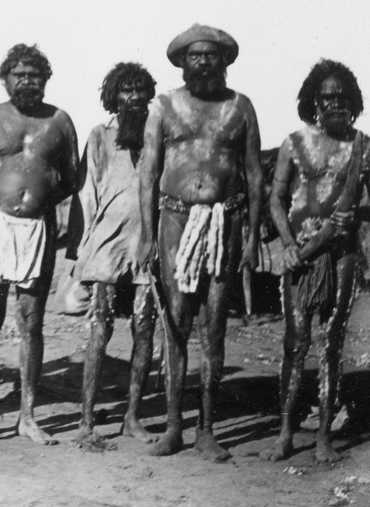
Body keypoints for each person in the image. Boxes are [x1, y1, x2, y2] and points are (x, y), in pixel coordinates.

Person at [137, 24, 263, 462]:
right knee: (176, 322)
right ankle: (174, 426)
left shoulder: (240, 107)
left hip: (224, 222)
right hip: (174, 219)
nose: (204, 62)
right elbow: (148, 173)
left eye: (213, 56)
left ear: (225, 62)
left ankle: (206, 430)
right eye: (196, 56)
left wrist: (251, 237)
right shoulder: (164, 106)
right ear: (183, 62)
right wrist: (147, 237)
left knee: (214, 326)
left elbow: (255, 173)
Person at [260, 59, 370, 463]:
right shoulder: (294, 143)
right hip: (301, 254)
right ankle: (284, 433)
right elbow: (276, 198)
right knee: (295, 345)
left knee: (331, 344)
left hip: (343, 254)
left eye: (343, 98)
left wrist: (360, 214)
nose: (335, 104)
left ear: (354, 102)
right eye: (327, 97)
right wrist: (288, 244)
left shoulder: (365, 147)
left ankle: (324, 440)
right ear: (314, 101)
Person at [0, 44, 81, 444]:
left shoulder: (60, 122)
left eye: (35, 75)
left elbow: (71, 179)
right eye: (19, 74)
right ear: (4, 78)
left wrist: (38, 197)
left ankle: (27, 415)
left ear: (46, 79)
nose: (27, 81)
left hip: (37, 230)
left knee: (32, 321)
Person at [72, 62, 158, 451]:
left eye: (140, 89)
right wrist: (84, 249)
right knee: (100, 327)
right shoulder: (99, 136)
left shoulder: (159, 134)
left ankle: (132, 418)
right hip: (108, 244)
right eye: (126, 90)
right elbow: (87, 193)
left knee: (144, 329)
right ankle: (87, 420)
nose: (134, 96)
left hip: (147, 243)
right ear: (113, 96)